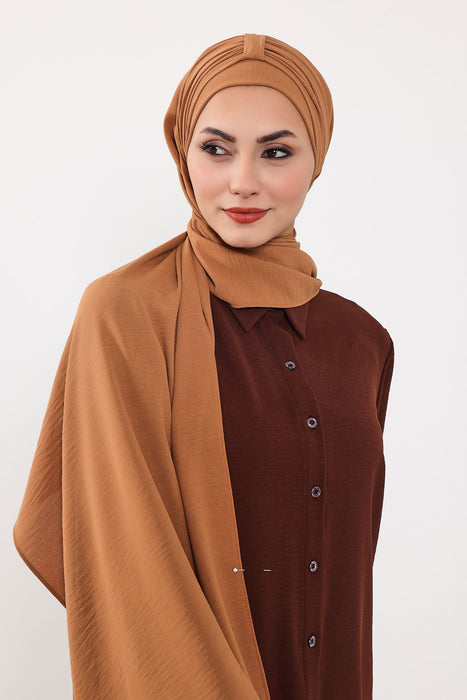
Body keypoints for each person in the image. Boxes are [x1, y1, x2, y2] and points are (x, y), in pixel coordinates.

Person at [13, 34, 394, 699]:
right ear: (182, 154)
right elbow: (125, 555)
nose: (242, 180)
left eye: (276, 152)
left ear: (317, 161)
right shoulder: (125, 314)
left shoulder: (360, 340)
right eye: (215, 149)